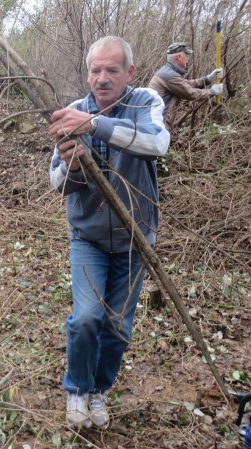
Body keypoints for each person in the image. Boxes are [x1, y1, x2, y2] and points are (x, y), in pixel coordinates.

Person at [48, 36, 169, 429]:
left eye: (112, 70)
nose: (102, 79)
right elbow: (56, 183)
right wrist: (75, 168)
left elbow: (156, 143)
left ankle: (99, 390)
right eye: (96, 70)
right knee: (86, 318)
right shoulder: (71, 114)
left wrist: (96, 126)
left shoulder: (145, 103)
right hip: (89, 238)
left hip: (137, 239)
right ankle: (77, 390)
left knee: (117, 325)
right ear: (87, 73)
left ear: (129, 73)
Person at [148, 42, 223, 129]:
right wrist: (212, 91)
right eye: (186, 55)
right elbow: (190, 93)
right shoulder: (169, 75)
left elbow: (185, 84)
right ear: (179, 57)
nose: (188, 58)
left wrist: (207, 79)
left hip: (152, 122)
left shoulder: (166, 72)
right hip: (158, 126)